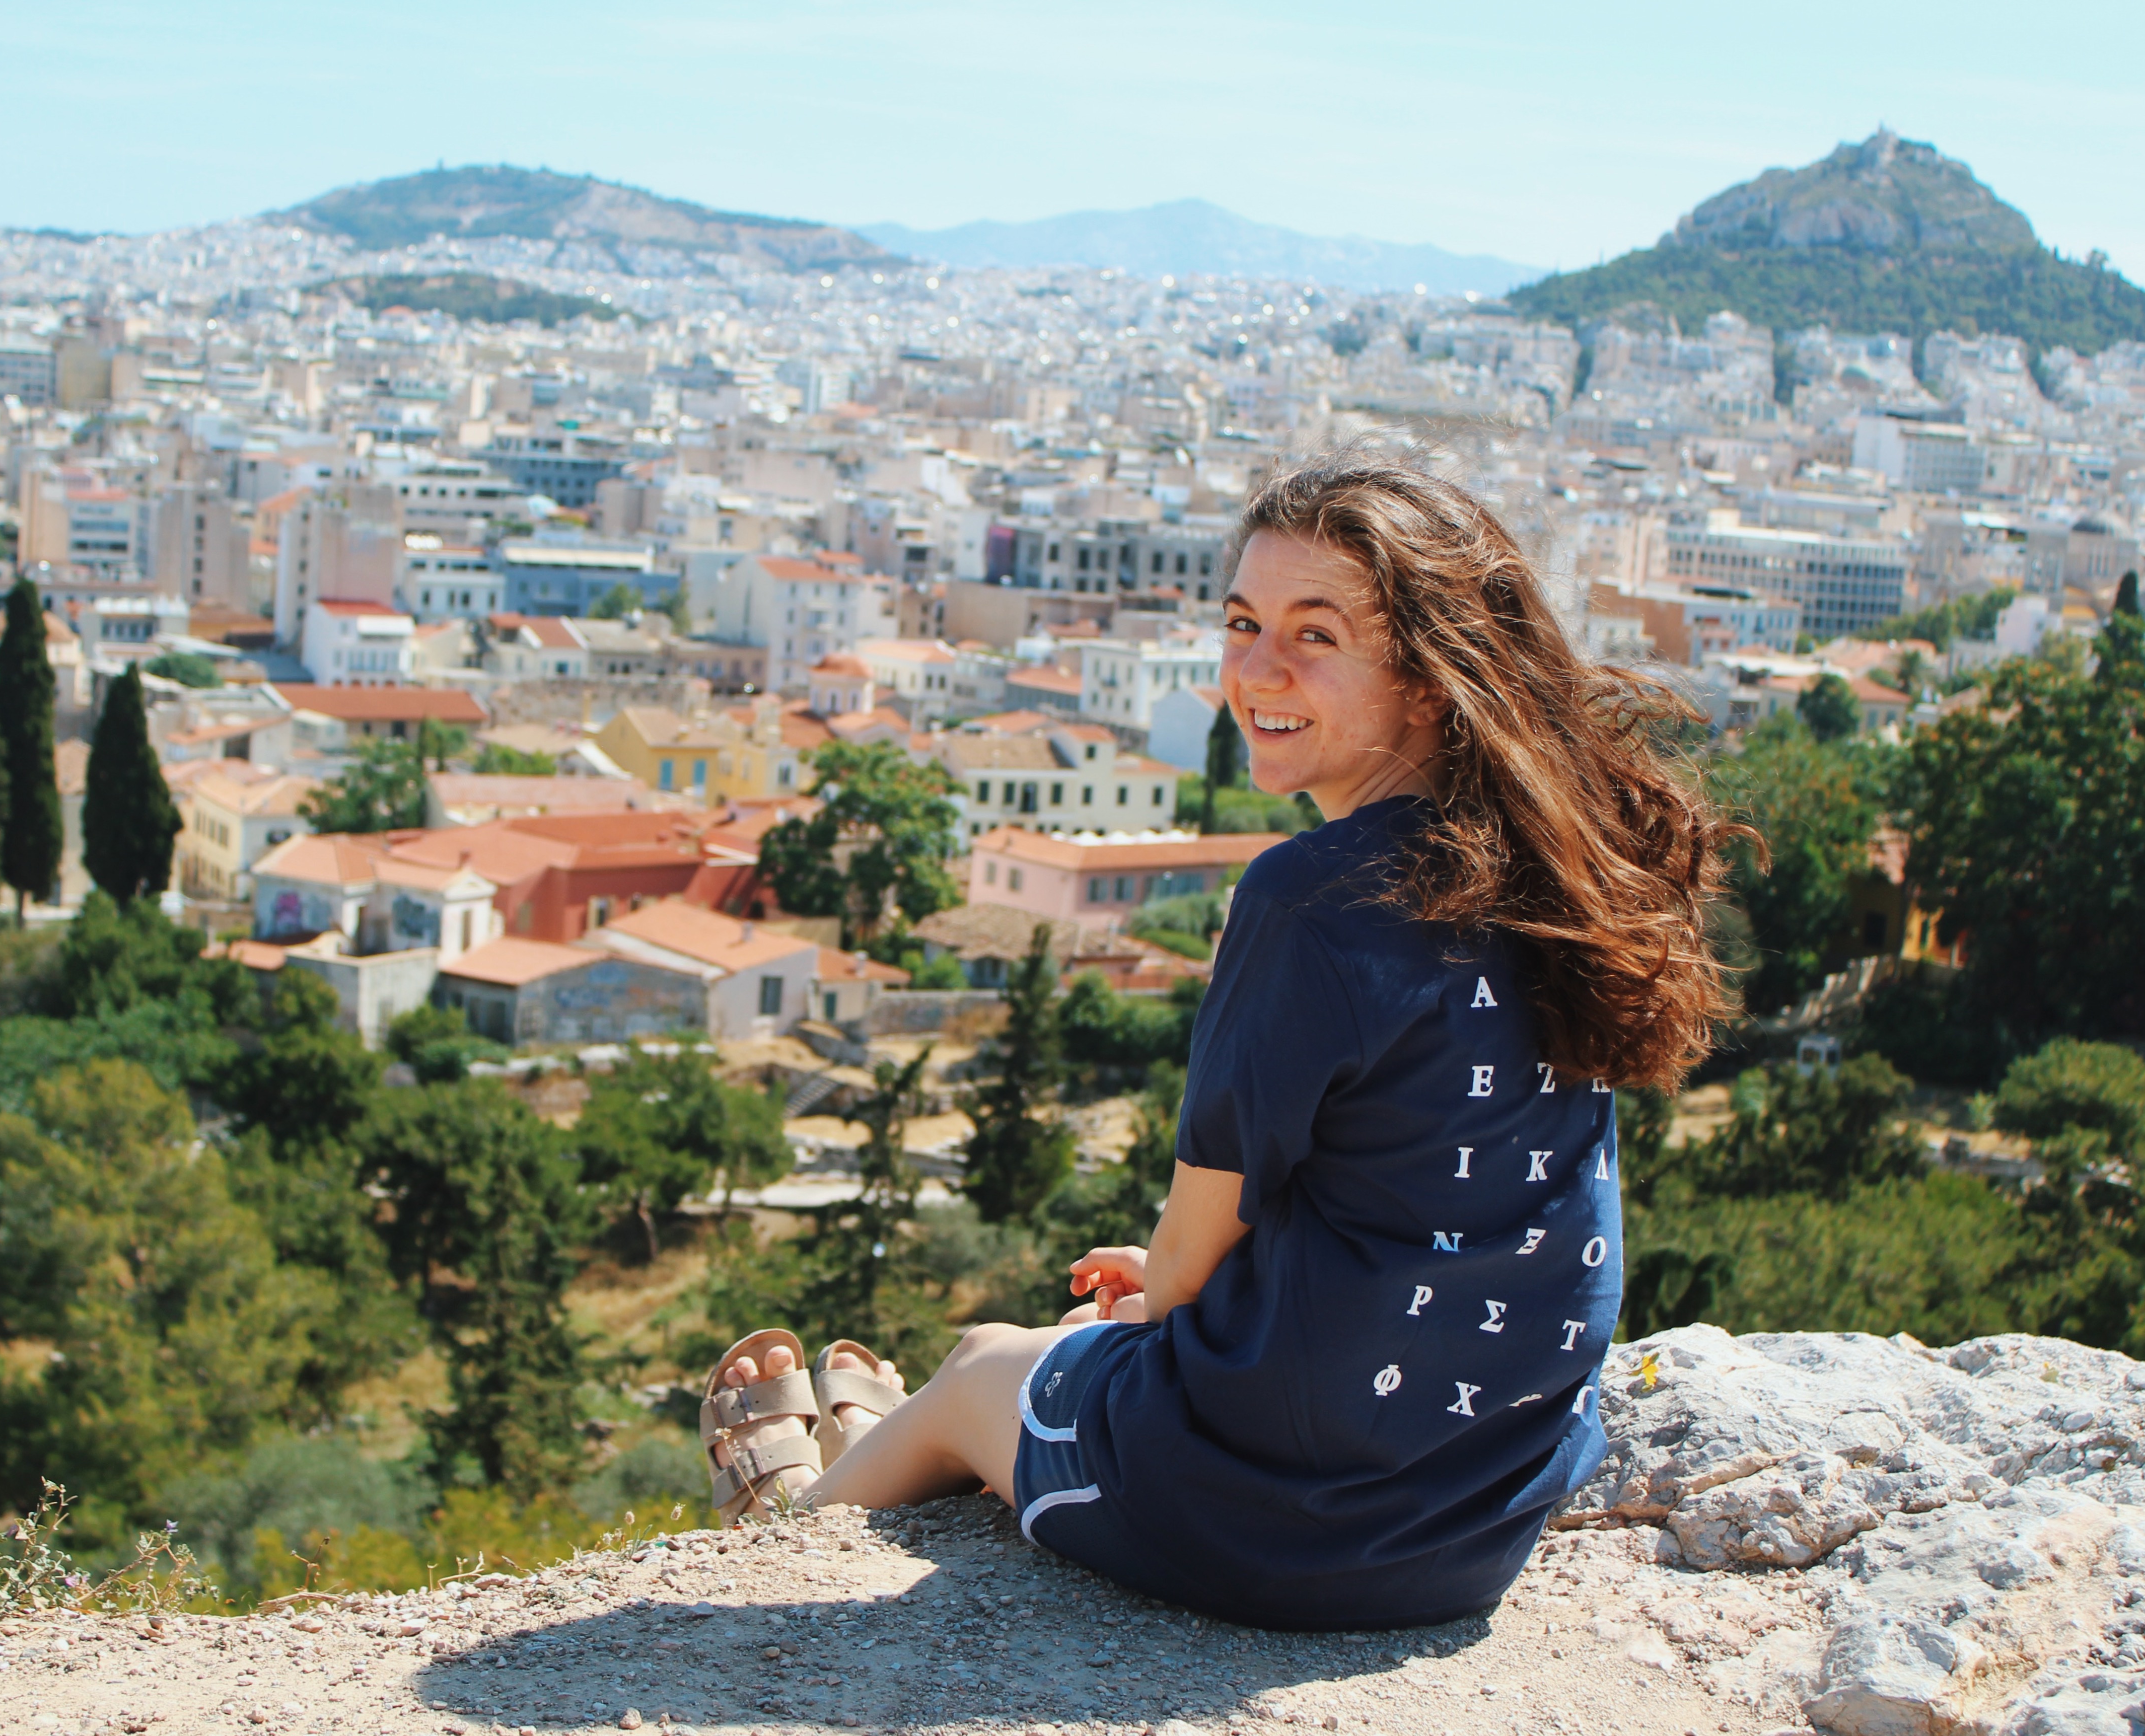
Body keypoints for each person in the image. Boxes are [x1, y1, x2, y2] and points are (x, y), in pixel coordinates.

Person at [700, 450, 1741, 1630]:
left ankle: (798, 1521)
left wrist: (1173, 1292)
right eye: (1244, 624)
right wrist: (1188, 1293)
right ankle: (893, 1443)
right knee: (1081, 1341)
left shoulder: (1309, 900)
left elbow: (1190, 1265)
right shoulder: (1555, 867)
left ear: (1433, 678)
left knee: (983, 1362)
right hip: (1475, 1518)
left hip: (1286, 1529)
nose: (1256, 672)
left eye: (1315, 636)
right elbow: (1441, 1190)